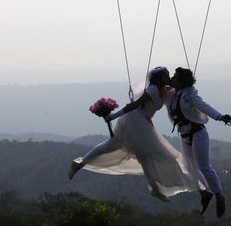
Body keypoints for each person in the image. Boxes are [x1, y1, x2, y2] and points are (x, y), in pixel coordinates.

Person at [68, 67, 199, 202]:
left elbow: (179, 86)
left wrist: (189, 88)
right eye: (166, 76)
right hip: (136, 121)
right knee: (121, 148)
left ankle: (155, 188)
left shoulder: (162, 89)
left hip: (144, 122)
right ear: (159, 78)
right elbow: (132, 106)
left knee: (136, 154)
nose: (169, 78)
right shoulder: (152, 90)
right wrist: (112, 117)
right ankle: (79, 163)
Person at [167, 67, 231, 218]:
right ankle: (204, 192)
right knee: (188, 166)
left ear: (182, 82)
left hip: (198, 133)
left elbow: (203, 106)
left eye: (175, 77)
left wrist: (220, 117)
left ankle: (218, 196)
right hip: (184, 135)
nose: (172, 79)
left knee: (204, 166)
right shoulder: (173, 94)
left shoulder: (189, 94)